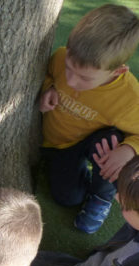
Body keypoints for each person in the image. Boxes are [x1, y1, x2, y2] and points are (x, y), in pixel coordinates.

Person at [39, 4, 139, 234]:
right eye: (69, 69)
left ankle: (102, 196)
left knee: (111, 142)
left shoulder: (129, 98)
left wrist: (129, 149)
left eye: (85, 78)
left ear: (117, 72)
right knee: (67, 198)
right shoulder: (61, 56)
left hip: (96, 142)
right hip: (61, 146)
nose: (72, 81)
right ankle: (82, 176)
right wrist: (49, 88)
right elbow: (49, 74)